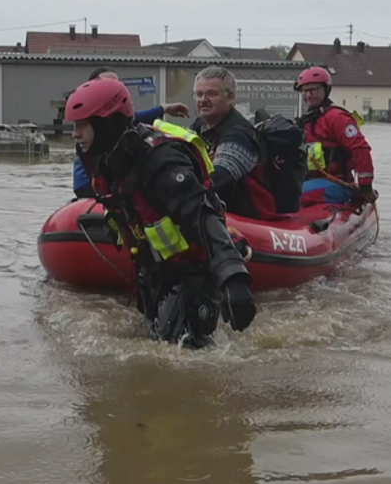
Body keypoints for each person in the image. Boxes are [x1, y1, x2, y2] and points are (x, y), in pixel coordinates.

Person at [66, 77, 258, 347]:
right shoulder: (109, 161)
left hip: (192, 274)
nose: (75, 134)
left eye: (81, 126)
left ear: (105, 123)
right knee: (155, 348)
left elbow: (201, 215)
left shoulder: (160, 160)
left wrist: (234, 278)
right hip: (154, 272)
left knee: (187, 359)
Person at [72, 67, 190, 199]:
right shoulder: (93, 134)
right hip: (88, 190)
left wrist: (164, 109)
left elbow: (131, 119)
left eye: (117, 84)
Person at [188, 66, 280, 220]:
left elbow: (218, 180)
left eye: (212, 94)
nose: (203, 100)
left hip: (248, 220)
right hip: (219, 215)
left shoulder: (240, 134)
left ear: (230, 97)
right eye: (199, 94)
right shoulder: (199, 127)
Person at [293, 66, 378, 207]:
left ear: (326, 90)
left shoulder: (337, 118)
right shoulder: (307, 121)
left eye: (313, 90)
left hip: (337, 183)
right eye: (305, 91)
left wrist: (365, 187)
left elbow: (361, 149)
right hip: (312, 181)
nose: (308, 95)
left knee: (291, 196)